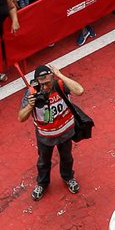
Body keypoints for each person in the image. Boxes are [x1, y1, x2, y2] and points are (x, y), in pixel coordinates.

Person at [19, 64, 84, 200]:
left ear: (52, 78)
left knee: (67, 157)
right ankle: (42, 183)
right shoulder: (31, 92)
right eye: (41, 84)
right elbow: (21, 117)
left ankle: (68, 177)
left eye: (48, 83)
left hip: (65, 132)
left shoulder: (60, 85)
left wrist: (60, 75)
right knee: (43, 161)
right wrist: (31, 105)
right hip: (44, 136)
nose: (45, 87)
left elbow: (79, 90)